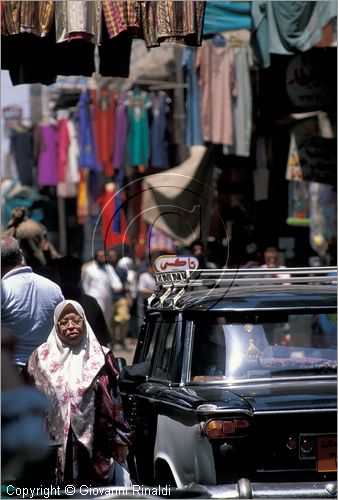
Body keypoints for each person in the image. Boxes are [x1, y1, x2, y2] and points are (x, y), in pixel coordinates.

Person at [23, 300, 133, 487]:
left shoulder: (102, 356)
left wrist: (121, 439)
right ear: (56, 326)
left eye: (75, 320)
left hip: (94, 445)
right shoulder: (39, 358)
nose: (71, 326)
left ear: (84, 322)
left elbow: (116, 400)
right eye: (64, 322)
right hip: (52, 446)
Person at [1, 235, 64, 367]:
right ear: (20, 254)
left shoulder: (4, 289)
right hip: (47, 370)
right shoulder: (53, 288)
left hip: (11, 372)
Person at [52, 255, 111, 347]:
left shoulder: (49, 303)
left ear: (57, 275)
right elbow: (102, 342)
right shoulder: (91, 303)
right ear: (79, 276)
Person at [5, 206, 60, 272]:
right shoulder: (34, 224)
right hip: (41, 258)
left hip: (28, 260)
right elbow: (45, 244)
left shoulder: (13, 228)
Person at [81, 249, 123, 334]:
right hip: (94, 298)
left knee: (107, 318)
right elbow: (85, 285)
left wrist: (118, 286)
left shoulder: (109, 268)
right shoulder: (90, 269)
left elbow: (115, 281)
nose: (103, 258)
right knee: (96, 318)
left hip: (107, 298)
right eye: (100, 256)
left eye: (104, 256)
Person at [107, 249, 131, 350]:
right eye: (111, 256)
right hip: (108, 299)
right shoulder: (104, 269)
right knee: (110, 321)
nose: (113, 258)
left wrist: (128, 297)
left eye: (115, 256)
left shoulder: (122, 270)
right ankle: (111, 340)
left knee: (124, 318)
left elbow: (126, 284)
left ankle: (120, 338)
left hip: (120, 298)